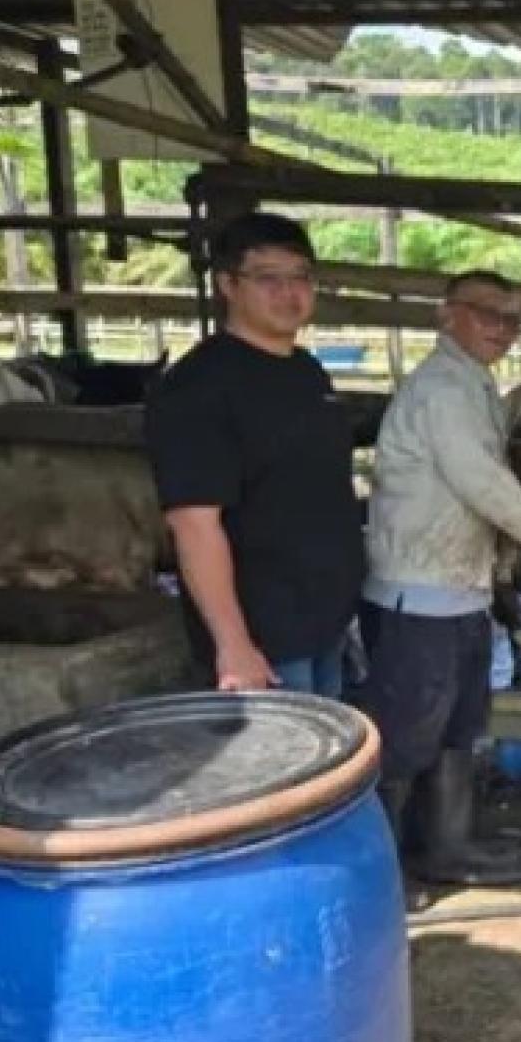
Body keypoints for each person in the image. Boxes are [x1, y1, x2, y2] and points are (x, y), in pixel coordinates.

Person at [358, 270, 521, 882]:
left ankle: (448, 848)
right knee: (408, 735)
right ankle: (382, 874)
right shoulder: (443, 389)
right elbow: (481, 482)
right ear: (447, 315)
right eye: (486, 312)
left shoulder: (474, 386)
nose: (501, 328)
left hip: (458, 586)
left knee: (459, 723)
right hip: (420, 588)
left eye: (511, 319)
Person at [145, 211, 362, 698]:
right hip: (266, 638)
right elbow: (195, 524)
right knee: (293, 769)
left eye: (301, 277)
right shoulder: (198, 388)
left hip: (323, 622)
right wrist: (234, 644)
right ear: (228, 284)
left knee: (339, 763)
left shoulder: (307, 373)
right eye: (268, 279)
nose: (289, 293)